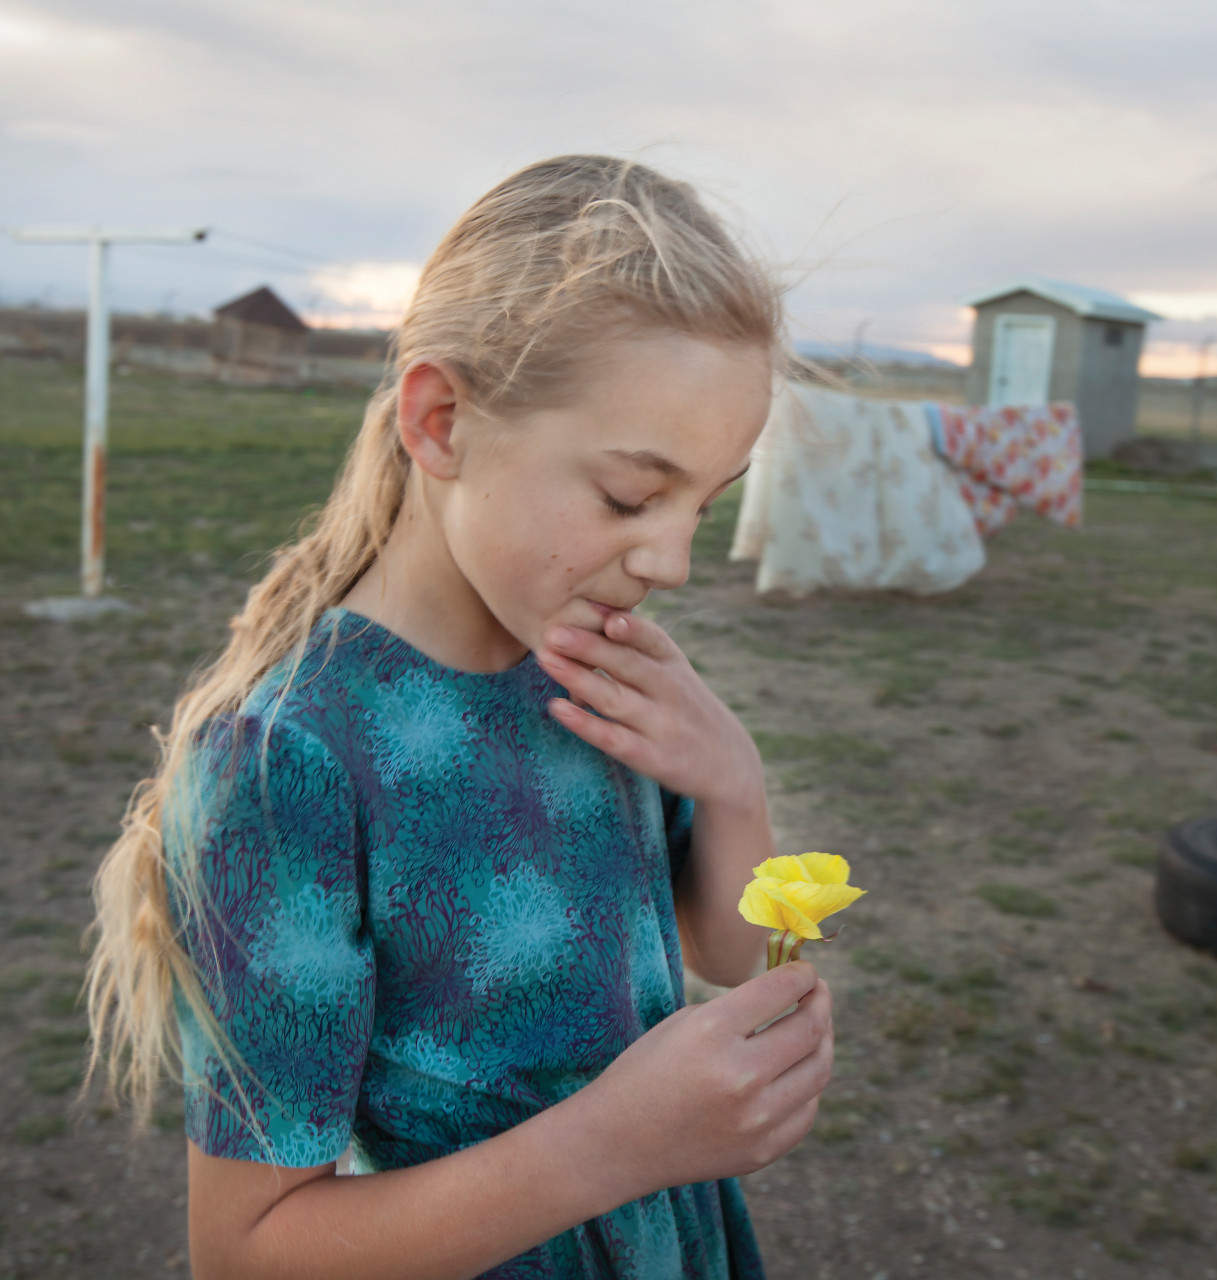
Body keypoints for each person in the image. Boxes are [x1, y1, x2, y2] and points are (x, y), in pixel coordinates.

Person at [83, 155, 834, 1280]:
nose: (672, 560)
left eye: (705, 501)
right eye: (632, 495)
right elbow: (245, 1250)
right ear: (441, 421)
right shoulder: (288, 758)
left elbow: (723, 944)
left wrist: (733, 780)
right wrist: (616, 1144)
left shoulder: (590, 663)